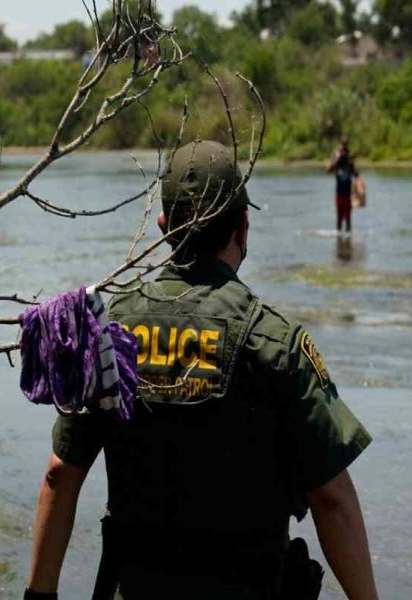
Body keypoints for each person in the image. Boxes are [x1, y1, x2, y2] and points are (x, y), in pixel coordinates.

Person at [25, 140, 378, 600]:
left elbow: (60, 475)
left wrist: (39, 596)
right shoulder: (274, 341)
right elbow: (331, 500)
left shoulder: (110, 333)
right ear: (243, 228)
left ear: (164, 227)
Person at [326, 136, 356, 234]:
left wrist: (351, 164)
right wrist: (336, 162)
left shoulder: (349, 157)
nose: (344, 148)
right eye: (343, 145)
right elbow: (328, 170)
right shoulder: (336, 156)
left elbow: (355, 174)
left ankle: (347, 240)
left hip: (348, 193)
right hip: (339, 192)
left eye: (346, 145)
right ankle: (340, 243)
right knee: (339, 218)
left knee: (348, 218)